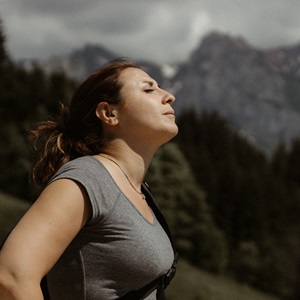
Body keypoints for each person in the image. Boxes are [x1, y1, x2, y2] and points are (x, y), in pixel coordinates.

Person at [0, 58, 178, 300]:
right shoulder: (88, 177)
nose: (169, 96)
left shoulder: (139, 191)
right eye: (148, 89)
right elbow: (12, 276)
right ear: (109, 113)